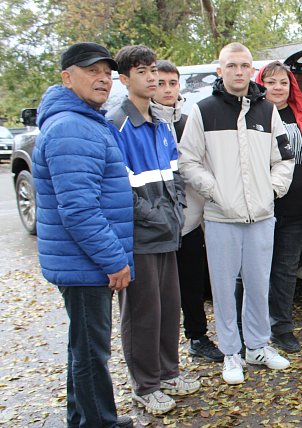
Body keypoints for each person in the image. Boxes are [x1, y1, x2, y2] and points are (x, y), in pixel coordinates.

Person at [32, 42, 135, 428]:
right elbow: (78, 209)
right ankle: (99, 422)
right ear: (66, 77)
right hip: (85, 261)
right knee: (92, 352)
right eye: (91, 71)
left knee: (83, 347)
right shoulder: (72, 127)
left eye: (106, 73)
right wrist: (113, 260)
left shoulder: (83, 120)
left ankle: (82, 417)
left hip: (81, 260)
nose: (102, 79)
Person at [179, 42, 295, 384]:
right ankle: (231, 352)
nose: (239, 71)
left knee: (259, 284)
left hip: (261, 216)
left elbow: (284, 158)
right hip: (220, 218)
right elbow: (188, 160)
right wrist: (216, 192)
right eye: (232, 65)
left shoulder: (267, 112)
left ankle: (257, 346)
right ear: (221, 70)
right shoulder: (204, 111)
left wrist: (271, 190)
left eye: (245, 65)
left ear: (251, 69)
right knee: (224, 289)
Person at [108, 45, 200, 415]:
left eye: (152, 70)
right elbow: (119, 190)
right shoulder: (117, 125)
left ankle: (168, 373)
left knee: (167, 309)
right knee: (142, 314)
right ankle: (145, 386)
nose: (150, 77)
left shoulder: (162, 125)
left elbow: (175, 177)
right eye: (142, 71)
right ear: (124, 78)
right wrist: (159, 218)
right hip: (140, 239)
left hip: (167, 234)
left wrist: (177, 212)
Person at [255, 61, 302, 353]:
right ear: (261, 84)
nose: (277, 88)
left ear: (291, 87)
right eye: (271, 82)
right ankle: (250, 328)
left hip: (296, 209)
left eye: (283, 83)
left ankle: (282, 328)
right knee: (254, 271)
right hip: (261, 210)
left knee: (286, 271)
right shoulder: (252, 115)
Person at [151, 60, 223, 362]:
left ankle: (197, 336)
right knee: (159, 296)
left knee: (193, 285)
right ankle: (159, 353)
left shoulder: (188, 122)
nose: (167, 89)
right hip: (155, 226)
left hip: (190, 222)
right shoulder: (145, 123)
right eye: (161, 83)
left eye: (173, 83)